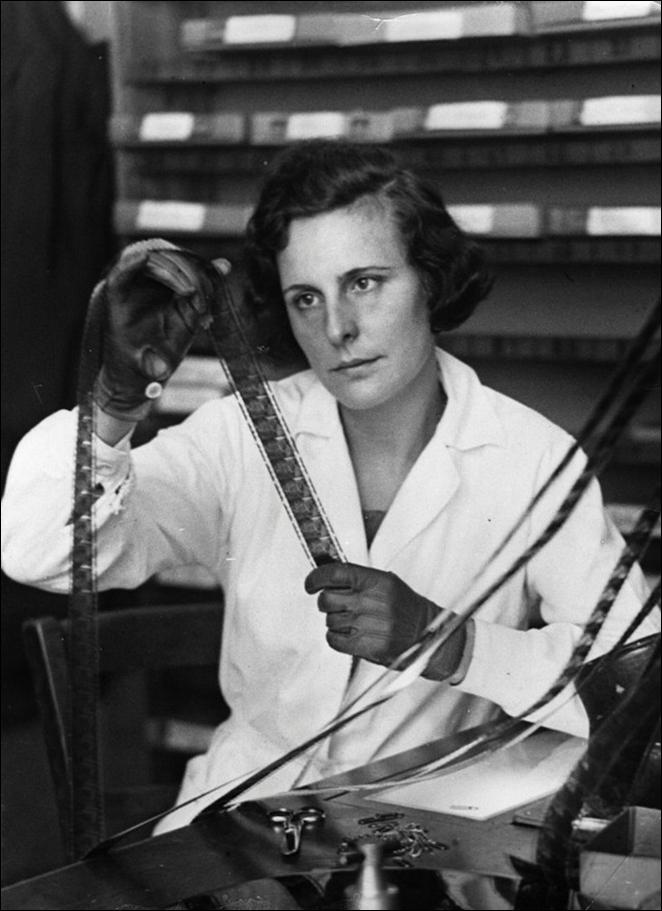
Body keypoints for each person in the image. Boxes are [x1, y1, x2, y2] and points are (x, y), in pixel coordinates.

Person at [1, 140, 657, 834]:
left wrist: (454, 645)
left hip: (425, 833)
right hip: (238, 827)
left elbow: (639, 691)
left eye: (365, 283)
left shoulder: (531, 459)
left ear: (429, 279)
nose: (337, 328)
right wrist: (114, 402)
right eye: (306, 298)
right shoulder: (239, 434)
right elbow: (41, 553)